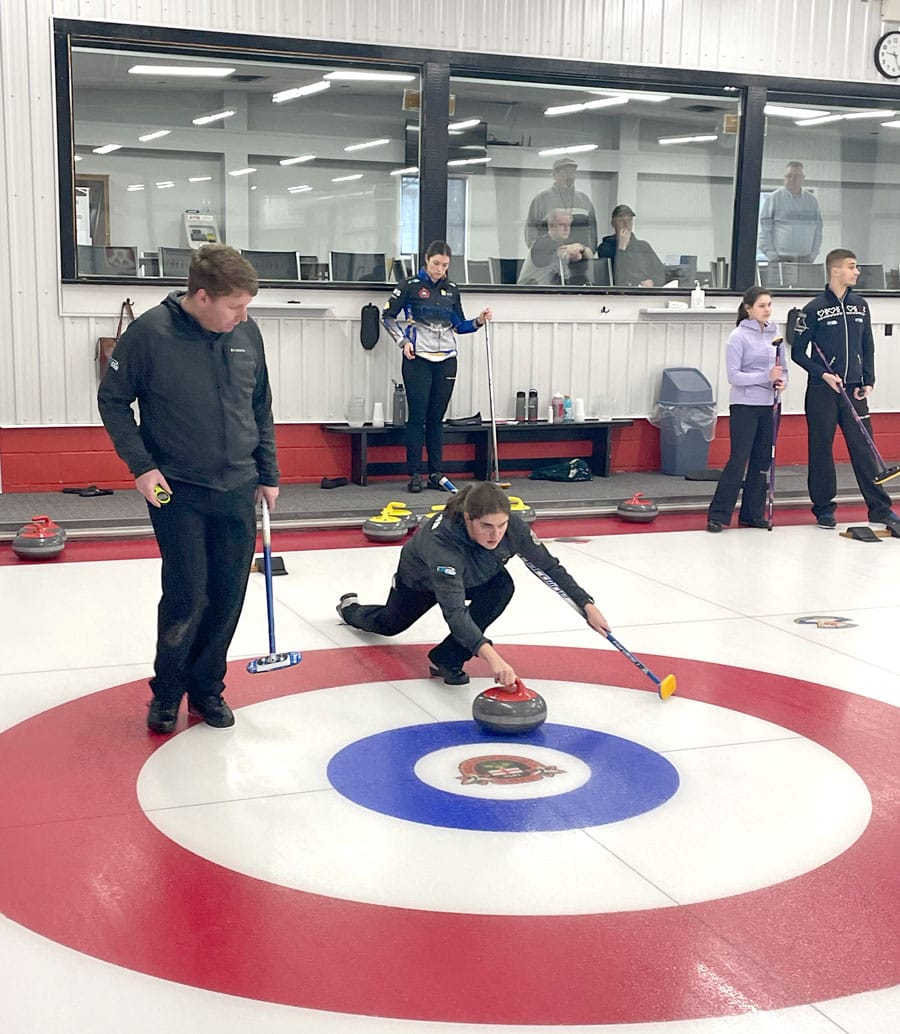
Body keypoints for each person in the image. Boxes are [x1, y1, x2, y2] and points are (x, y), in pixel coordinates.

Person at [97, 245, 279, 734]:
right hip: (176, 489)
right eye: (234, 306)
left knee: (226, 594)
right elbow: (113, 401)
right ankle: (167, 693)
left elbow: (259, 403)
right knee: (187, 593)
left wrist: (269, 472)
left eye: (247, 307)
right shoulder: (150, 334)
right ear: (201, 296)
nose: (244, 315)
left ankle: (207, 689)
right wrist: (141, 466)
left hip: (238, 484)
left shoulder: (246, 332)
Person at [336, 481, 609, 686]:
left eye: (501, 525)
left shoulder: (513, 527)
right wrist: (492, 657)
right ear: (468, 519)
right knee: (389, 624)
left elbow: (550, 566)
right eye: (487, 526)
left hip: (477, 573)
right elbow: (454, 612)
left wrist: (587, 604)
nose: (496, 534)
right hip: (422, 581)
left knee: (501, 587)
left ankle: (447, 657)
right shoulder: (442, 546)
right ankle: (350, 609)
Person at [790, 248, 899, 533]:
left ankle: (881, 509)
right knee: (821, 450)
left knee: (865, 450)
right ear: (835, 270)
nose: (857, 271)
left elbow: (868, 346)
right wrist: (822, 374)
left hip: (854, 391)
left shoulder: (861, 305)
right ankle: (824, 509)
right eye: (852, 267)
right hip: (822, 391)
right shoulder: (812, 309)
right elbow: (799, 353)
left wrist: (868, 379)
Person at [382, 241, 491, 494]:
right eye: (436, 264)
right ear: (426, 260)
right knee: (417, 417)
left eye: (444, 265)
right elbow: (386, 316)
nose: (440, 269)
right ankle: (414, 474)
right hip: (417, 358)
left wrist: (479, 321)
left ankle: (436, 473)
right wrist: (403, 342)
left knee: (436, 419)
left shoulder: (452, 289)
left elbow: (459, 325)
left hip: (447, 359)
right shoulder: (409, 286)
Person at [706, 287, 785, 532]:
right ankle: (718, 515)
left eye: (769, 305)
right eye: (761, 305)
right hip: (745, 405)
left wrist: (782, 382)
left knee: (763, 461)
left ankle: (752, 513)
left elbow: (783, 367)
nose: (767, 310)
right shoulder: (738, 337)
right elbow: (734, 376)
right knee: (739, 459)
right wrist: (765, 376)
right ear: (749, 309)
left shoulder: (776, 334)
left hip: (770, 405)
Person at [758, 161, 823, 285]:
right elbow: (764, 230)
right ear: (784, 178)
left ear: (803, 179)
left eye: (797, 176)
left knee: (804, 296)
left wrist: (813, 255)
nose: (792, 179)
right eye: (789, 176)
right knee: (777, 297)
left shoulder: (811, 201)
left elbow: (818, 231)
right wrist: (772, 256)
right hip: (780, 260)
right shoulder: (774, 199)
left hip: (805, 261)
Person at [524, 157, 599, 252]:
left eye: (573, 172)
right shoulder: (541, 199)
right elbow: (531, 231)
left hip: (579, 259)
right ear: (555, 175)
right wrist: (540, 254)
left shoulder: (584, 200)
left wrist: (588, 253)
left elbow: (593, 232)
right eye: (565, 172)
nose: (570, 176)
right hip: (550, 259)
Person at [517, 208, 593, 286]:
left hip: (551, 294)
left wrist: (581, 248)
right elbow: (570, 253)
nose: (566, 229)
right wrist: (576, 250)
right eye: (562, 225)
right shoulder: (542, 244)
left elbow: (588, 255)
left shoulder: (563, 243)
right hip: (528, 294)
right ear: (551, 226)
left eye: (568, 225)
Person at [597, 204, 665, 287]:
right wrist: (621, 248)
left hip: (645, 292)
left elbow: (661, 272)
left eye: (629, 220)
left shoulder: (643, 246)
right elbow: (617, 278)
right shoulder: (605, 248)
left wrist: (653, 282)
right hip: (622, 294)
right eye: (621, 221)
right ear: (613, 224)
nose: (626, 224)